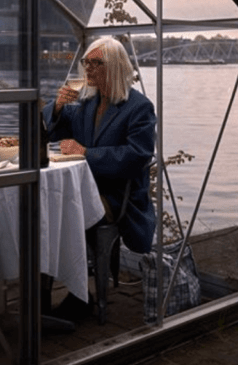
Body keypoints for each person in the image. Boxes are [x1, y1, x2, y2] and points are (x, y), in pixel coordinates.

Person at [42, 36, 157, 319]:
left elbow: (137, 156)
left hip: (118, 196)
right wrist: (56, 106)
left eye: (96, 64)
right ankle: (45, 295)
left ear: (115, 67)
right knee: (47, 213)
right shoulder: (88, 103)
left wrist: (85, 153)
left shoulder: (138, 107)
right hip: (85, 189)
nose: (88, 70)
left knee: (65, 216)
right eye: (86, 63)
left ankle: (78, 297)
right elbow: (54, 126)